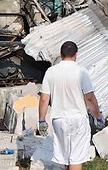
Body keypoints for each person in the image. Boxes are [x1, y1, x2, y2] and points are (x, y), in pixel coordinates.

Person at [38, 41, 104, 170]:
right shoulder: (81, 71)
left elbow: (44, 99)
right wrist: (98, 117)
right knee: (76, 158)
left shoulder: (51, 72)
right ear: (76, 55)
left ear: (60, 55)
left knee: (65, 157)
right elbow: (89, 98)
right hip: (78, 119)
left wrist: (41, 120)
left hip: (59, 119)